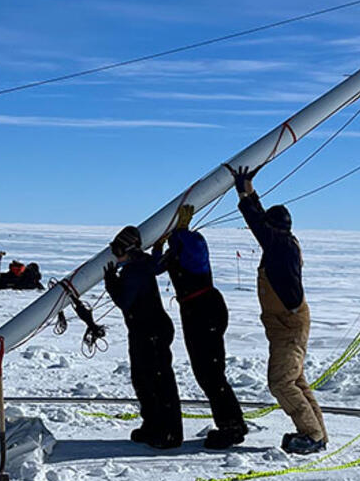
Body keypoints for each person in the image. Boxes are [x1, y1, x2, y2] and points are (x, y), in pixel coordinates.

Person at [228, 165, 328, 454]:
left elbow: (257, 222)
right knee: (295, 380)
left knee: (281, 382)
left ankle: (311, 435)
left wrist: (244, 190)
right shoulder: (280, 242)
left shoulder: (280, 247)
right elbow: (260, 222)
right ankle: (317, 434)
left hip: (289, 325)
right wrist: (247, 188)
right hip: (287, 324)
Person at [152, 205, 247, 449]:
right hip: (194, 311)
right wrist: (159, 245)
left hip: (205, 310)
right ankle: (231, 422)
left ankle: (232, 426)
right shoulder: (178, 250)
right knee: (205, 372)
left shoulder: (194, 244)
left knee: (211, 372)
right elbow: (156, 267)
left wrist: (181, 232)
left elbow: (192, 251)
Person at [103, 225, 183, 449]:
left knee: (158, 381)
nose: (116, 255)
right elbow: (157, 264)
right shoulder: (142, 264)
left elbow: (124, 301)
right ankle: (153, 426)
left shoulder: (134, 270)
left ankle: (169, 433)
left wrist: (112, 283)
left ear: (128, 249)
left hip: (151, 331)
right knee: (142, 380)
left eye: (118, 250)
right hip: (144, 331)